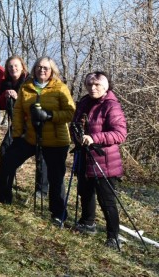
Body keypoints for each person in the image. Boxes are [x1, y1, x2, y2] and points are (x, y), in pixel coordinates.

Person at [0, 56, 75, 224]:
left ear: (52, 70)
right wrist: (17, 134)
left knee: (56, 177)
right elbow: (17, 111)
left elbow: (70, 112)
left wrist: (50, 115)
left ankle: (58, 213)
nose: (42, 70)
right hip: (30, 137)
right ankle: (3, 197)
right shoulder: (27, 87)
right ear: (33, 69)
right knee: (8, 161)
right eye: (38, 67)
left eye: (46, 67)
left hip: (55, 140)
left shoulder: (60, 88)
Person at [72, 72, 127, 250]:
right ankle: (88, 223)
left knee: (107, 200)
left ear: (106, 86)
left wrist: (94, 138)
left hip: (105, 160)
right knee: (85, 191)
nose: (92, 88)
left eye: (96, 85)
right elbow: (75, 124)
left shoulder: (112, 106)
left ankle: (113, 236)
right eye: (89, 84)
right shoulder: (84, 102)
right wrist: (77, 136)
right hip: (84, 156)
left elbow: (120, 134)